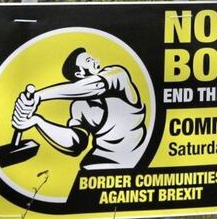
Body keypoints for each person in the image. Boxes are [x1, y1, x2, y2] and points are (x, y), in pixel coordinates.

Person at [11, 48, 147, 170]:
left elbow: (95, 86)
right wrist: (38, 121)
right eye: (89, 60)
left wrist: (39, 96)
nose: (97, 60)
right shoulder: (80, 106)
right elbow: (75, 143)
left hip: (139, 158)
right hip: (100, 164)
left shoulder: (118, 75)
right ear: (79, 74)